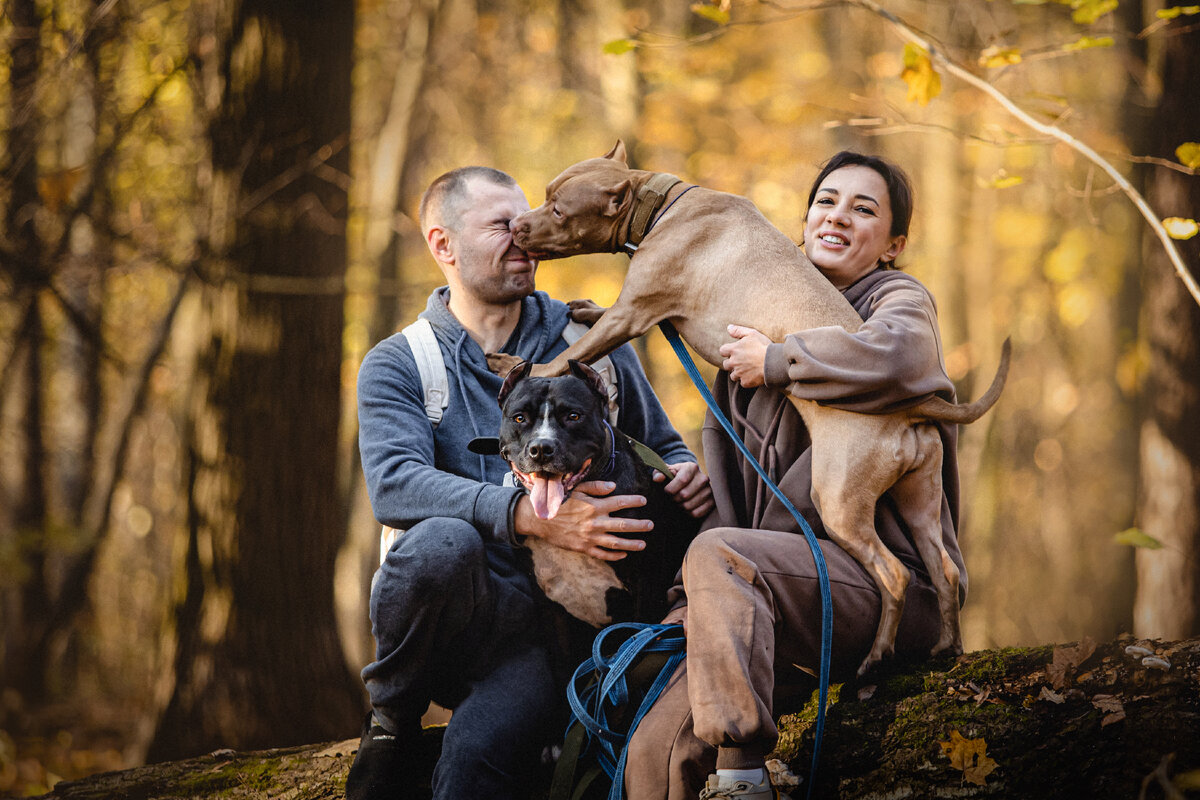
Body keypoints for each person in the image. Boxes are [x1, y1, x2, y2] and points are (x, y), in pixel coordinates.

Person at [346, 165, 713, 800]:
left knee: (474, 767)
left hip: (555, 636)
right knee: (439, 544)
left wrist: (686, 476)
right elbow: (395, 486)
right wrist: (527, 514)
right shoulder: (402, 363)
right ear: (443, 246)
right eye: (501, 227)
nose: (525, 237)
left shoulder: (589, 341)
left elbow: (664, 445)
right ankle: (391, 720)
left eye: (525, 222)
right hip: (456, 618)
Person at [622, 152, 967, 800]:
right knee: (656, 748)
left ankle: (744, 781)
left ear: (893, 245)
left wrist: (781, 360)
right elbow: (734, 515)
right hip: (773, 606)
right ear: (804, 219)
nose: (837, 215)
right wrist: (683, 603)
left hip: (884, 589)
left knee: (723, 557)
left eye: (863, 208)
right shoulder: (748, 331)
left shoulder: (895, 300)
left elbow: (906, 356)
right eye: (826, 200)